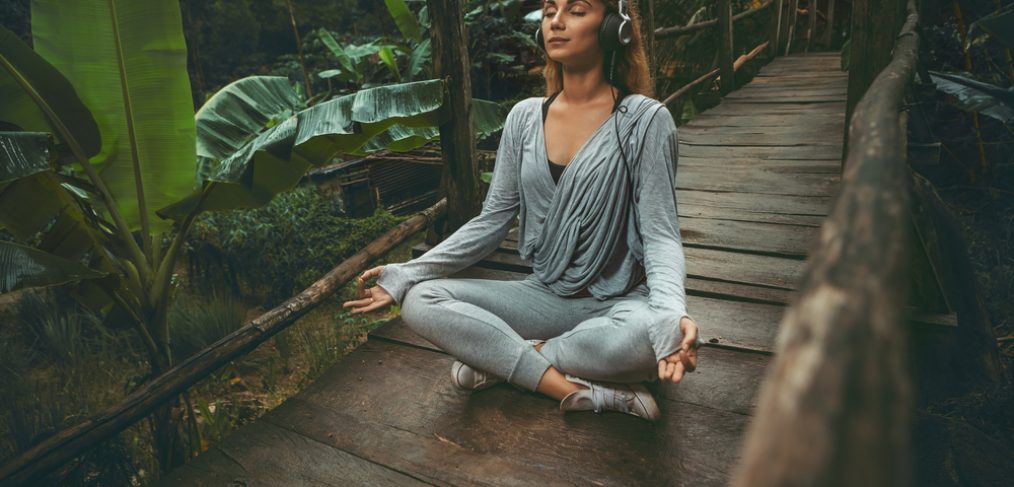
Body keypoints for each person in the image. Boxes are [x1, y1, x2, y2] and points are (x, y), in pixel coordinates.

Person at [342, 0, 699, 422]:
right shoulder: (524, 118)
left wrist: (671, 311)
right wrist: (408, 272)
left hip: (620, 302)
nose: (557, 22)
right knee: (420, 301)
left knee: (649, 337)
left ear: (613, 29)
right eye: (550, 11)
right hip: (542, 297)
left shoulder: (646, 121)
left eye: (577, 10)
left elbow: (660, 234)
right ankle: (578, 389)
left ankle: (508, 359)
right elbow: (492, 221)